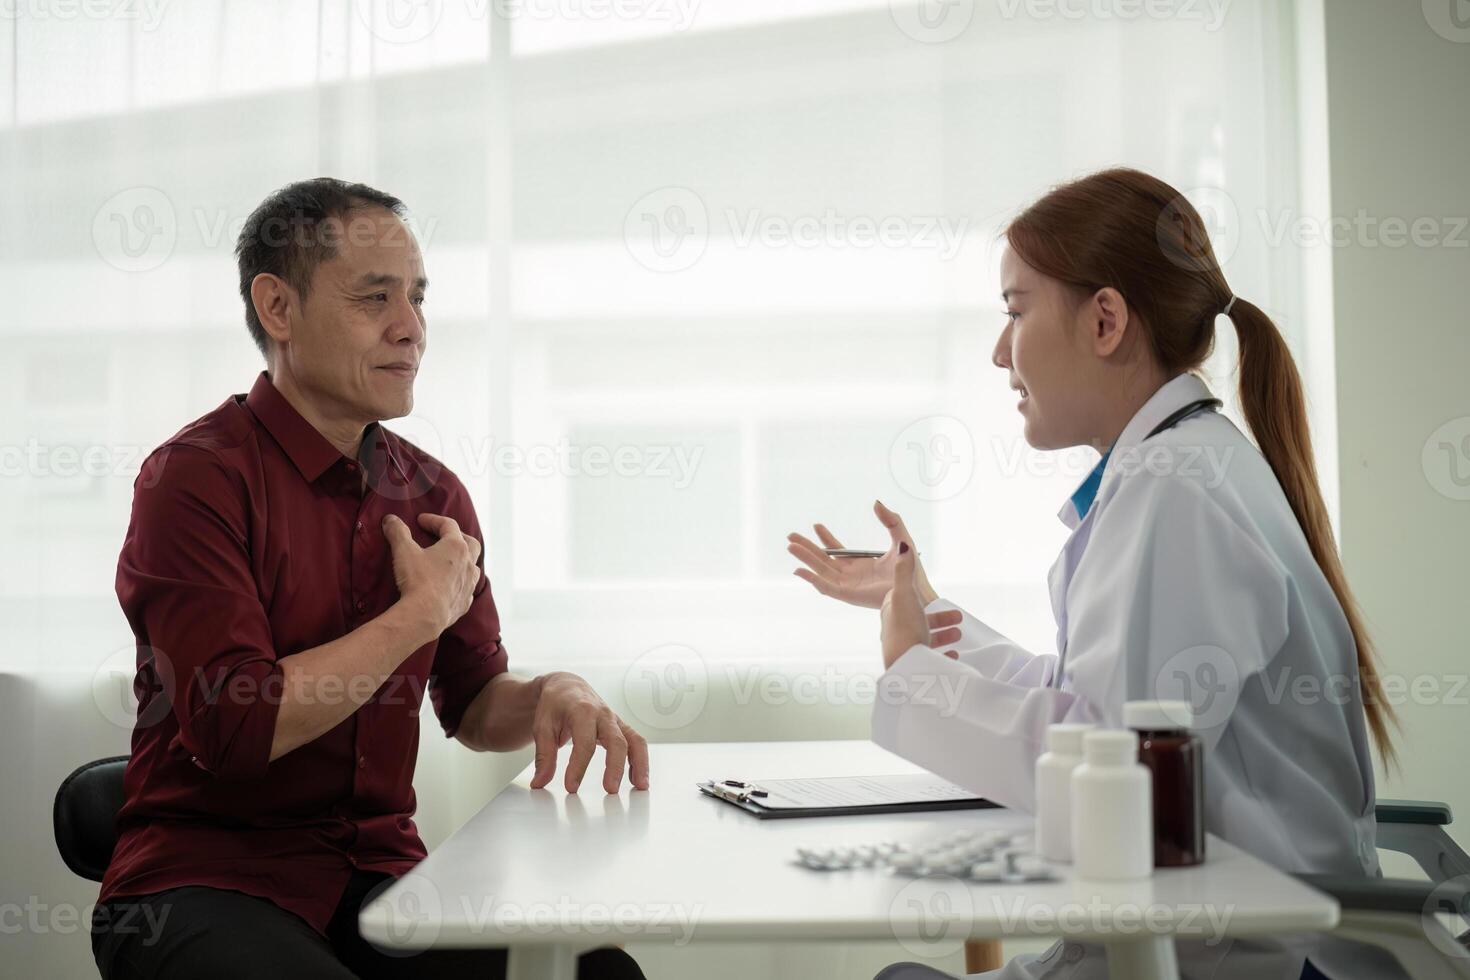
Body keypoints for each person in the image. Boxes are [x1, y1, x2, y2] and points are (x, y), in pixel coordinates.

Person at [788, 168, 1402, 980]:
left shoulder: (1179, 492)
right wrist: (929, 616)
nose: (999, 350)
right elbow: (1103, 711)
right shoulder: (1180, 469)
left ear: (1105, 319)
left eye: (1016, 310)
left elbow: (1115, 774)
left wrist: (913, 673)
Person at [89, 178, 648, 980]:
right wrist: (418, 612)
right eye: (374, 298)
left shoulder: (433, 494)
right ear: (278, 308)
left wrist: (552, 691)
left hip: (381, 881)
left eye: (418, 298)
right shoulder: (194, 479)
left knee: (595, 970)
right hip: (204, 878)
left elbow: (473, 703)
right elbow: (235, 730)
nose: (411, 329)